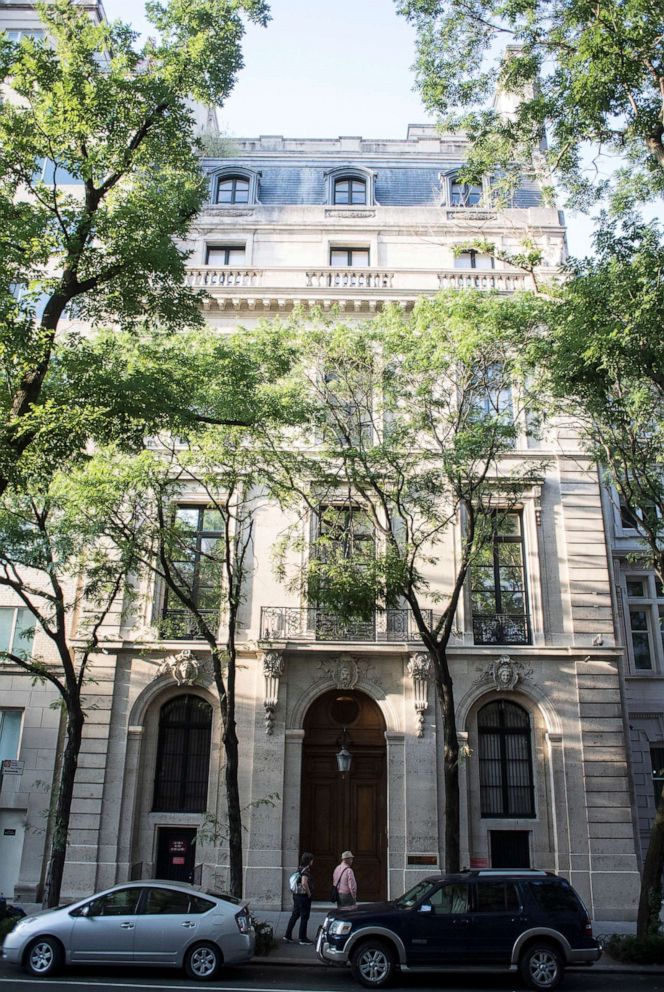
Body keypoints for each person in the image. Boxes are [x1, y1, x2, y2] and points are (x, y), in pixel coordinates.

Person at [283, 852, 314, 945]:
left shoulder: (299, 869)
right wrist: (309, 893)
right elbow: (304, 883)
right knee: (304, 917)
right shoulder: (305, 871)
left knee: (295, 915)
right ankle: (302, 938)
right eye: (312, 860)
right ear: (309, 861)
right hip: (303, 896)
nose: (313, 861)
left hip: (296, 895)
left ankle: (287, 935)